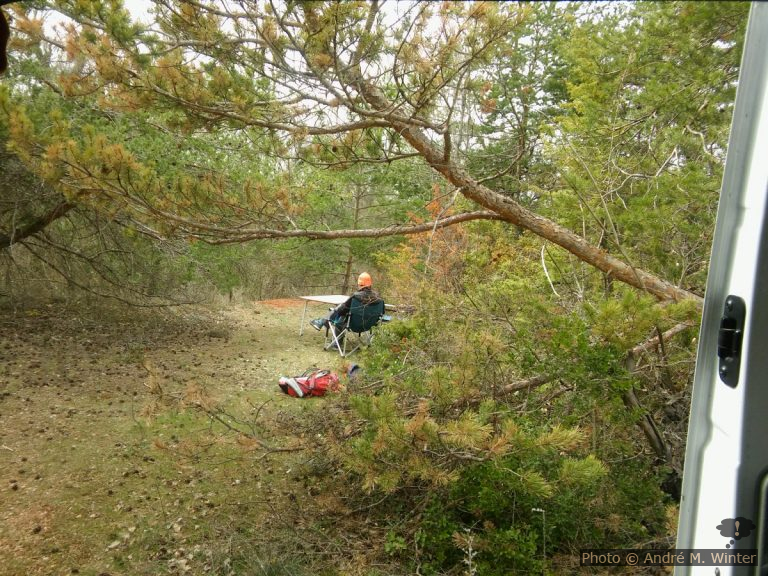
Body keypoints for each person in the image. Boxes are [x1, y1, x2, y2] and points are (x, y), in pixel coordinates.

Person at [309, 272, 383, 333]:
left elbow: (343, 310)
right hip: (370, 325)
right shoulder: (379, 299)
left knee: (341, 316)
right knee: (343, 311)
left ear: (359, 284)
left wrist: (336, 312)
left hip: (354, 324)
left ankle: (323, 323)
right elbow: (382, 313)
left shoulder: (356, 296)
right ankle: (323, 321)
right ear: (370, 284)